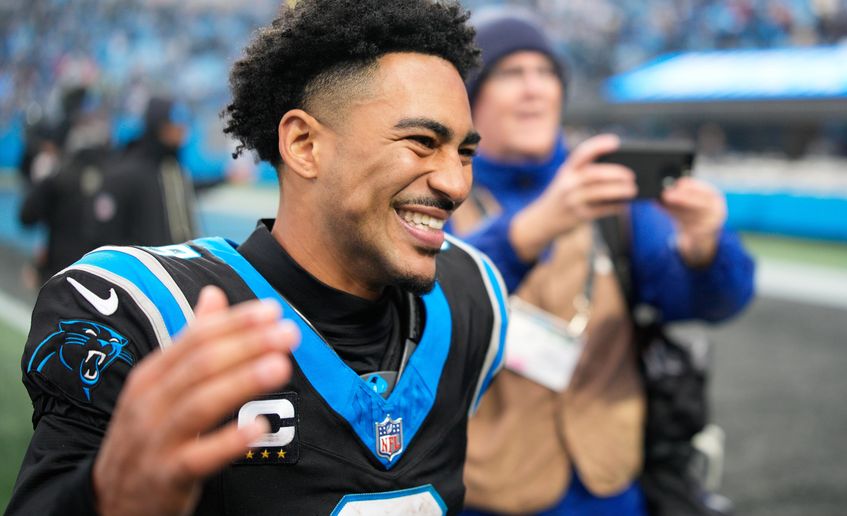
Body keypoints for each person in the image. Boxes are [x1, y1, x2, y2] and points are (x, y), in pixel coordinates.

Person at [8, 1, 507, 514]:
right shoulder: (151, 315)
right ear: (304, 144)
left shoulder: (473, 297)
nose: (456, 183)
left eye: (464, 152)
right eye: (423, 142)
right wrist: (104, 497)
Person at [451, 11, 755, 516]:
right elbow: (417, 312)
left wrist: (704, 247)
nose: (535, 89)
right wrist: (531, 230)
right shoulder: (437, 192)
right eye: (511, 73)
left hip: (613, 489)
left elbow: (706, 303)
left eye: (547, 73)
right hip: (488, 492)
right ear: (470, 97)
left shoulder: (613, 193)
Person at [18, 91, 113, 285]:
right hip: (101, 279)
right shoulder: (114, 175)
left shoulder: (59, 174)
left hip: (62, 277)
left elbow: (27, 216)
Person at [96, 96, 199, 247]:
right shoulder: (125, 175)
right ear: (160, 127)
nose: (183, 130)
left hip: (172, 267)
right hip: (139, 268)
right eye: (176, 124)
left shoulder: (173, 171)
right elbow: (103, 236)